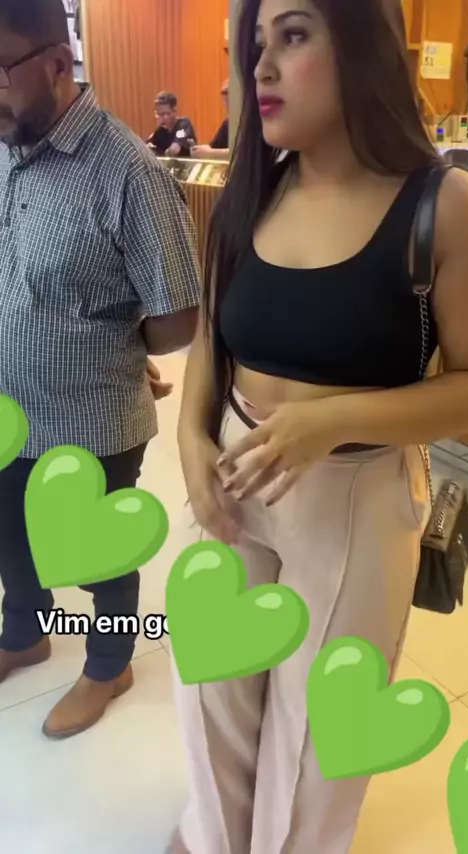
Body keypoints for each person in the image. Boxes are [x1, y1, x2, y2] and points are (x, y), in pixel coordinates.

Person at [171, 0, 468, 851]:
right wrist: (191, 439)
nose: (262, 66)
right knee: (212, 702)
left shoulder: (443, 204)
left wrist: (333, 418)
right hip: (233, 474)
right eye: (255, 44)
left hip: (355, 494)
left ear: (359, 44)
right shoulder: (250, 194)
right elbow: (211, 341)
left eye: (294, 35)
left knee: (316, 739)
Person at [0, 0, 200, 739]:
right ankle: (24, 633)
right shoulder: (8, 143)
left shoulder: (127, 172)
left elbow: (178, 316)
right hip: (8, 412)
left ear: (57, 63)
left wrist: (106, 341)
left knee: (99, 558)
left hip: (91, 420)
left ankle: (109, 664)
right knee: (11, 537)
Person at [147, 91, 197, 157]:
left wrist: (168, 152)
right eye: (160, 114)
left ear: (174, 111)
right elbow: (146, 147)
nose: (164, 118)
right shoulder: (159, 132)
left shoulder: (184, 124)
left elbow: (175, 148)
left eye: (167, 113)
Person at [192, 80, 230, 161]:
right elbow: (213, 146)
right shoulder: (227, 123)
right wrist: (200, 150)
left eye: (229, 103)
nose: (226, 107)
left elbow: (239, 152)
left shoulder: (250, 123)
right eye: (225, 103)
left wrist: (210, 153)